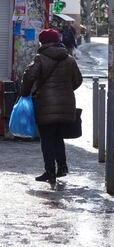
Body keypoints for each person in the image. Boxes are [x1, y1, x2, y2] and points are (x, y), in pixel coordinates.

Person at [21, 28, 83, 184]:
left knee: (47, 138)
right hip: (66, 105)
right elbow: (78, 80)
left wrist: (25, 93)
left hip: (45, 105)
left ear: (43, 42)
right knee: (58, 137)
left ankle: (49, 171)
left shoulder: (40, 58)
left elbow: (29, 77)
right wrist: (66, 90)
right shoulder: (69, 59)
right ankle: (62, 167)